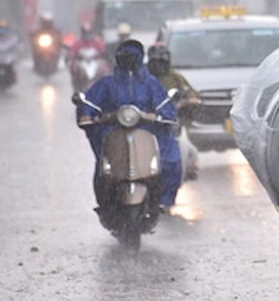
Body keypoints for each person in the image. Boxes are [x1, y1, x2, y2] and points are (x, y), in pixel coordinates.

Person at [76, 39, 182, 218]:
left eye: (133, 56)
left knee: (170, 160)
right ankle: (105, 202)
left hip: (148, 130)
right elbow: (90, 102)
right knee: (104, 167)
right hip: (113, 131)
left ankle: (163, 198)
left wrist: (160, 116)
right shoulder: (108, 83)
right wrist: (86, 115)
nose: (129, 60)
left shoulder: (150, 83)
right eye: (126, 56)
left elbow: (165, 106)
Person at [147, 42, 201, 182]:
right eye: (156, 60)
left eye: (163, 60)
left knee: (189, 151)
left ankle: (186, 169)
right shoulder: (142, 78)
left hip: (170, 124)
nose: (160, 64)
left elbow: (191, 94)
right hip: (146, 124)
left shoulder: (176, 78)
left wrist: (188, 100)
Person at [66, 22, 108, 90]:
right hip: (82, 62)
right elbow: (72, 52)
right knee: (74, 69)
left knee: (104, 70)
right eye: (85, 32)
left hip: (95, 61)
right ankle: (77, 88)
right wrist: (72, 56)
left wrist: (104, 54)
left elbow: (103, 50)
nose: (87, 35)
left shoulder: (97, 42)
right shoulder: (78, 43)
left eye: (89, 32)